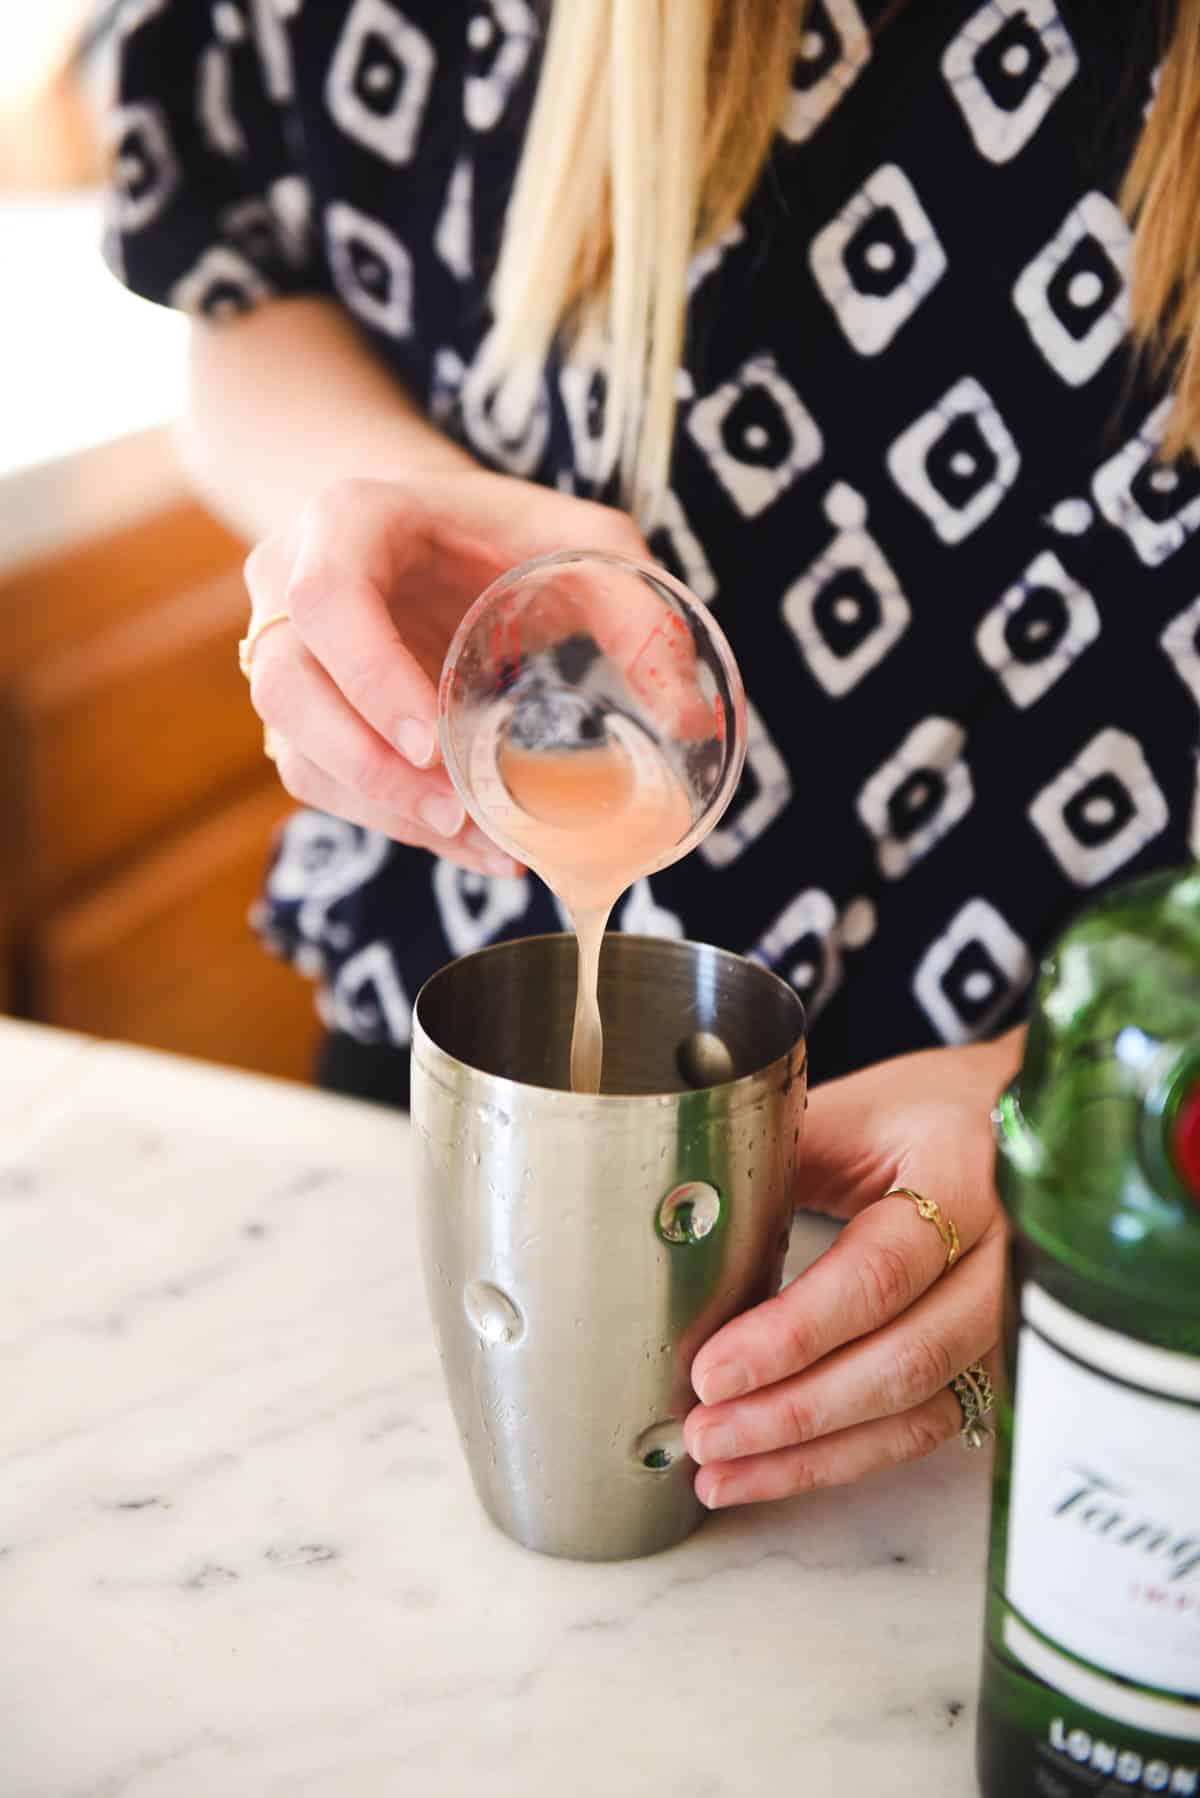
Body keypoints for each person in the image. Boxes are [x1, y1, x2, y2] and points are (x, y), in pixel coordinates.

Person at [103, 0, 1199, 1510]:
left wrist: (1082, 1096)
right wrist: (391, 525)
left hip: (1107, 1183)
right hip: (458, 1116)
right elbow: (245, 297)